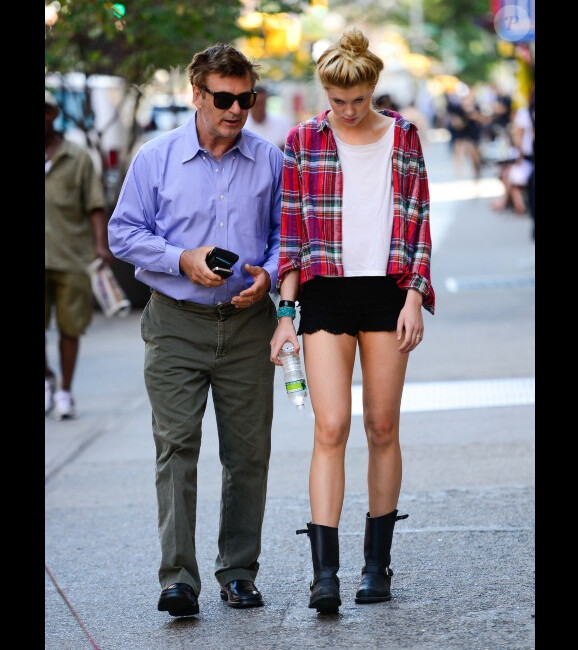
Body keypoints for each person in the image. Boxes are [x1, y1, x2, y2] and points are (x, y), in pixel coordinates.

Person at [108, 44, 283, 617]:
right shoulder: (155, 158)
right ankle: (177, 579)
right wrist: (182, 258)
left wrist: (272, 274)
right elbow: (123, 234)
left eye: (246, 98)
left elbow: (290, 234)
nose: (236, 110)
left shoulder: (270, 160)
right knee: (177, 448)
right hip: (176, 324)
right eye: (225, 98)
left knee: (248, 455)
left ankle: (238, 572)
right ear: (197, 95)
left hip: (248, 324)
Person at [270, 28, 435, 614]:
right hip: (324, 295)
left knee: (382, 426)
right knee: (331, 425)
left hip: (386, 293)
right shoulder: (301, 141)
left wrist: (415, 296)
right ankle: (325, 574)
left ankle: (376, 564)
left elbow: (418, 225)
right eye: (337, 101)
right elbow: (291, 233)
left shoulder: (405, 138)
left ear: (372, 89)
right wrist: (285, 314)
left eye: (358, 100)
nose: (346, 110)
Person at [45, 90, 113, 420]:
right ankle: (47, 379)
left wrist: (101, 246)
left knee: (70, 328)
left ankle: (65, 391)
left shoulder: (77, 157)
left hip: (71, 256)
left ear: (52, 115)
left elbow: (95, 205)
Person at [244, 85, 293, 150]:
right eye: (257, 104)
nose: (260, 108)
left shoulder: (283, 123)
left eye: (262, 103)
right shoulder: (242, 126)